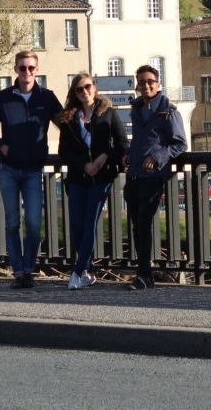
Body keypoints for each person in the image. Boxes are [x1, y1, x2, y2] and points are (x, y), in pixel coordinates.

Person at [0, 50, 62, 289]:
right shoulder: (3, 97)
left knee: (34, 223)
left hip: (33, 170)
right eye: (22, 68)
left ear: (37, 70)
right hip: (8, 168)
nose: (26, 72)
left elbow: (66, 125)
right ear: (15, 70)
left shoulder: (47, 98)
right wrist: (2, 147)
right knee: (12, 222)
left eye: (30, 68)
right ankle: (18, 272)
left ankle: (29, 268)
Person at [58, 72, 129, 290]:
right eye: (79, 89)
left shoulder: (108, 113)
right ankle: (88, 270)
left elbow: (122, 142)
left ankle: (77, 272)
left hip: (102, 177)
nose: (84, 91)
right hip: (78, 177)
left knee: (90, 223)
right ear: (75, 93)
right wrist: (83, 165)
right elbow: (64, 150)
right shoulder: (69, 117)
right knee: (76, 226)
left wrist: (105, 156)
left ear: (95, 88)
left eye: (87, 87)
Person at [123, 64, 187, 290]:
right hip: (134, 175)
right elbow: (139, 141)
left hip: (153, 175)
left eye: (150, 81)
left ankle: (143, 275)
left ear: (158, 84)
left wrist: (158, 156)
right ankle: (145, 275)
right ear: (138, 85)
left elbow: (180, 144)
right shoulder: (136, 109)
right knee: (136, 225)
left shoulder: (168, 111)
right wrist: (128, 154)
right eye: (142, 82)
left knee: (143, 222)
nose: (146, 85)